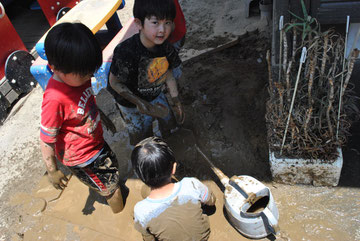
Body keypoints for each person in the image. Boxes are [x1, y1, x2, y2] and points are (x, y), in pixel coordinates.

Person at [40, 22, 126, 214]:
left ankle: (113, 191)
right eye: (84, 74)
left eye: (90, 71)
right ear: (55, 68)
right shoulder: (54, 99)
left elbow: (87, 103)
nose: (89, 76)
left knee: (113, 172)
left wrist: (103, 120)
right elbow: (46, 139)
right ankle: (121, 214)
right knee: (111, 189)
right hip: (82, 158)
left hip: (95, 142)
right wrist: (52, 171)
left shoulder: (79, 74)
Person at [108, 0, 185, 146]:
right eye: (155, 22)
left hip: (154, 93)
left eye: (167, 22)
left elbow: (168, 74)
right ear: (139, 23)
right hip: (129, 101)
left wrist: (176, 101)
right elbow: (114, 82)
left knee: (170, 124)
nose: (162, 30)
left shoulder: (166, 47)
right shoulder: (127, 52)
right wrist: (138, 102)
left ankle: (171, 147)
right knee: (141, 135)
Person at [131, 136, 216, 241]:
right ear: (174, 167)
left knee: (144, 192)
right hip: (202, 237)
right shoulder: (191, 184)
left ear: (140, 177)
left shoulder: (140, 210)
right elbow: (212, 200)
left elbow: (148, 238)